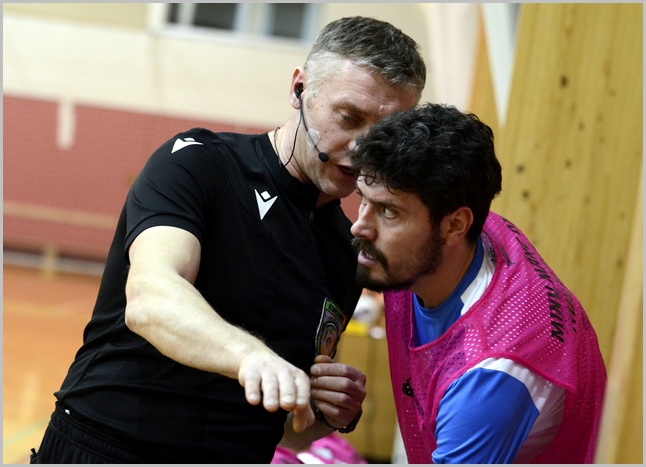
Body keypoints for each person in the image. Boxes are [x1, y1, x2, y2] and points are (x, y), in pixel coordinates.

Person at [30, 16, 426, 464]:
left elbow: (287, 430)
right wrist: (249, 355)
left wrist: (326, 412)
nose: (362, 147)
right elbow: (150, 298)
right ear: (299, 89)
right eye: (349, 118)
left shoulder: (345, 251)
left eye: (385, 132)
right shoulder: (200, 165)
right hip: (106, 446)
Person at [348, 103, 607, 463]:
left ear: (455, 225)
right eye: (362, 200)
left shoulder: (490, 378)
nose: (359, 226)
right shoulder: (469, 237)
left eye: (388, 211)